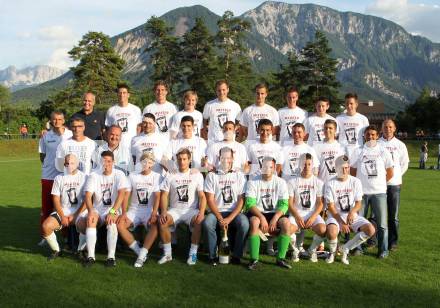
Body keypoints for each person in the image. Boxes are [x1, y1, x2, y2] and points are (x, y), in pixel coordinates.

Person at [78, 151, 129, 267]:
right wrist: (90, 211)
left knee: (111, 223)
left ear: (113, 162)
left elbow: (122, 194)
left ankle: (111, 257)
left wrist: (112, 211)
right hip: (97, 209)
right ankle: (91, 256)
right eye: (103, 161)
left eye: (109, 161)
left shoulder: (119, 174)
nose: (106, 164)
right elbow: (87, 195)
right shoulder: (94, 175)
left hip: (112, 209)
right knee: (90, 219)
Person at [350, 125, 393, 258]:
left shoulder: (383, 151)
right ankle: (358, 248)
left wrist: (378, 183)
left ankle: (383, 250)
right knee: (359, 223)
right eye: (368, 134)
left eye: (373, 134)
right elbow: (352, 171)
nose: (370, 137)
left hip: (379, 192)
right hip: (361, 194)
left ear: (377, 136)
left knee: (382, 224)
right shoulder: (358, 151)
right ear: (364, 135)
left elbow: (390, 172)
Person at [157, 148, 206, 265]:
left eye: (184, 159)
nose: (182, 162)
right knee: (163, 221)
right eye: (179, 159)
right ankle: (168, 254)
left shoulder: (197, 175)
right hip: (174, 210)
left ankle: (193, 254)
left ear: (189, 160)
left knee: (199, 221)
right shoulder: (171, 174)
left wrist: (202, 212)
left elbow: (202, 196)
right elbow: (164, 195)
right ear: (176, 160)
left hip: (191, 210)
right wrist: (163, 211)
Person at [325, 155, 375, 265]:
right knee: (332, 231)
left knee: (370, 230)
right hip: (335, 216)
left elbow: (358, 203)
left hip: (351, 216)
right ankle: (332, 253)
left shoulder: (356, 181)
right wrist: (342, 222)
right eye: (342, 168)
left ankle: (345, 249)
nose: (345, 170)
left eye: (347, 167)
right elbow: (331, 207)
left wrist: (352, 212)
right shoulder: (330, 183)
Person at [203, 147, 249, 265]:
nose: (226, 160)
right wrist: (220, 218)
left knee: (244, 223)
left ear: (232, 159)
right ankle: (213, 256)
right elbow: (210, 200)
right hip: (216, 211)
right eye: (223, 158)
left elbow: (241, 201)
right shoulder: (211, 176)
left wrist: (229, 219)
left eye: (228, 158)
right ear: (219, 158)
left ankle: (236, 255)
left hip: (234, 212)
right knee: (208, 223)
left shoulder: (239, 175)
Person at [245, 157, 292, 270]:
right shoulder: (252, 182)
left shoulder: (281, 182)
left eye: (270, 167)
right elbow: (250, 204)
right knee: (254, 222)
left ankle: (280, 258)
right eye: (265, 166)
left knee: (286, 223)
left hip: (275, 213)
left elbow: (284, 204)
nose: (267, 169)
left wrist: (275, 218)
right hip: (258, 212)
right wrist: (261, 217)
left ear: (274, 168)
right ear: (261, 167)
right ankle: (254, 259)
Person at [117, 152, 161, 268]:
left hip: (149, 210)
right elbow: (126, 195)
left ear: (152, 164)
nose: (147, 164)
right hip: (134, 210)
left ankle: (142, 254)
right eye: (144, 161)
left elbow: (157, 196)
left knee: (155, 224)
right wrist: (124, 213)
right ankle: (138, 251)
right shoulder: (132, 176)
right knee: (120, 224)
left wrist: (154, 213)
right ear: (140, 163)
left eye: (150, 162)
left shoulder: (157, 176)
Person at [41, 154, 87, 261]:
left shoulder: (84, 177)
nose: (69, 166)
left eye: (72, 163)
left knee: (86, 225)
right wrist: (62, 216)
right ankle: (57, 250)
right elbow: (56, 199)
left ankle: (80, 250)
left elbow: (87, 200)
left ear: (77, 164)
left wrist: (75, 216)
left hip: (79, 212)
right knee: (46, 226)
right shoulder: (59, 178)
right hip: (63, 211)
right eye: (67, 163)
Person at [38, 111, 72, 242]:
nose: (57, 121)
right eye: (54, 119)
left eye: (60, 119)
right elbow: (42, 155)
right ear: (51, 121)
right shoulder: (45, 136)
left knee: (64, 207)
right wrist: (49, 166)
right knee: (46, 208)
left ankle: (65, 235)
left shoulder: (70, 134)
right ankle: (45, 236)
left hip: (65, 177)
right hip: (48, 176)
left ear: (64, 120)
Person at [287, 153, 326, 262]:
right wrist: (297, 217)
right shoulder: (292, 181)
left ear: (312, 165)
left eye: (309, 164)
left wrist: (313, 217)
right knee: (288, 230)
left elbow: (320, 204)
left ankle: (311, 250)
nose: (306, 166)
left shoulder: (319, 182)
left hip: (311, 214)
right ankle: (295, 250)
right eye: (304, 164)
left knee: (323, 230)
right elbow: (290, 203)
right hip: (296, 213)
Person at [379, 119, 409, 250]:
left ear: (395, 128)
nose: (388, 129)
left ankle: (393, 242)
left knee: (393, 216)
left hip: (394, 184)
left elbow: (405, 163)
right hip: (378, 185)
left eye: (390, 127)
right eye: (385, 127)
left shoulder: (400, 145)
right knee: (377, 215)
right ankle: (373, 240)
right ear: (381, 128)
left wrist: (397, 176)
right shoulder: (376, 144)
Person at [202, 80, 242, 144]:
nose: (221, 92)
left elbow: (240, 122)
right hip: (213, 142)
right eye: (219, 90)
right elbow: (204, 120)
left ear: (228, 89)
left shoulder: (235, 106)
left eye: (224, 90)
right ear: (216, 91)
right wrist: (206, 137)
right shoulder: (209, 105)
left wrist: (234, 130)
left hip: (230, 142)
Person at [105, 83, 142, 149]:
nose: (122, 95)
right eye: (120, 93)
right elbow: (108, 130)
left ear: (128, 95)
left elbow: (139, 128)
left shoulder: (136, 109)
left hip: (132, 146)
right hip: (116, 147)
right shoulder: (111, 110)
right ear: (117, 94)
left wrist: (137, 143)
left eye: (124, 93)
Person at [336, 93, 369, 158]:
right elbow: (335, 136)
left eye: (351, 103)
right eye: (347, 103)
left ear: (356, 104)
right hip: (342, 153)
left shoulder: (363, 119)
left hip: (358, 152)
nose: (349, 106)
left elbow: (367, 137)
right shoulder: (338, 118)